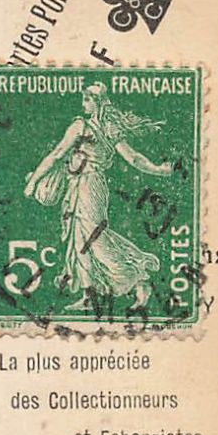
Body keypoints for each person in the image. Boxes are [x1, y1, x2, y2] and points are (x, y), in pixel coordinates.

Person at [23, 81, 175, 312]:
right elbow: (134, 158)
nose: (83, 103)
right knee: (78, 240)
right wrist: (159, 169)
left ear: (98, 103)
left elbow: (56, 155)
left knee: (94, 239)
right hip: (80, 186)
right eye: (83, 99)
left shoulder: (82, 126)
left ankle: (137, 276)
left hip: (88, 186)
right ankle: (89, 295)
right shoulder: (108, 128)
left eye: (87, 99)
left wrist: (34, 181)